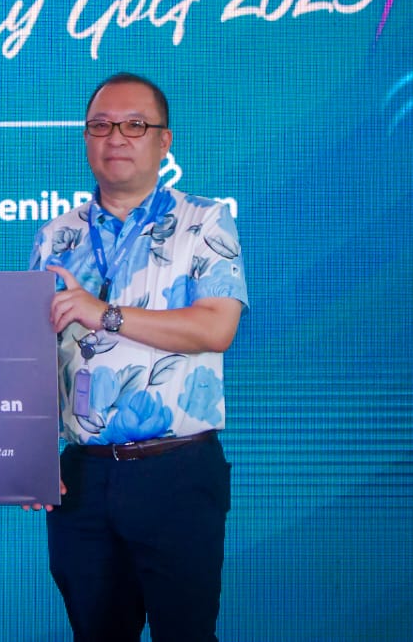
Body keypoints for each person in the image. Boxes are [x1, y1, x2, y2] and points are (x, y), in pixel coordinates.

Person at [27, 73, 248, 642]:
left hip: (176, 471)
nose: (116, 138)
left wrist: (104, 314)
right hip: (83, 478)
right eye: (101, 126)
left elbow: (216, 327)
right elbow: (33, 356)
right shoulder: (56, 236)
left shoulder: (204, 221)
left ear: (163, 140)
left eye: (134, 125)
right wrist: (28, 457)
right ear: (86, 138)